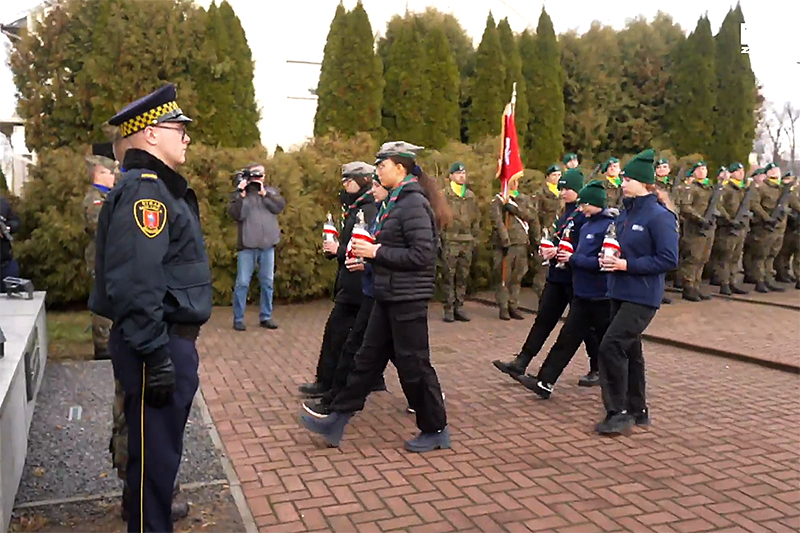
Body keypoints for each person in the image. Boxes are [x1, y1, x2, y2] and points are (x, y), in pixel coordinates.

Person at [89, 83, 211, 532]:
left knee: (157, 459)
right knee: (154, 467)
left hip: (162, 342)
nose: (187, 137)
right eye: (178, 128)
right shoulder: (148, 194)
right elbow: (136, 283)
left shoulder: (158, 189)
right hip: (155, 346)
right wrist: (156, 354)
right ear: (151, 134)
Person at [300, 141, 451, 453]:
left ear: (400, 167)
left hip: (406, 298)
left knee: (415, 366)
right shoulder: (397, 201)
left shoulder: (412, 204)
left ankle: (435, 428)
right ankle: (336, 421)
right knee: (365, 360)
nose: (377, 171)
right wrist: (367, 258)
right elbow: (392, 249)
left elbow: (423, 255)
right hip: (386, 294)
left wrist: (377, 251)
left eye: (382, 166)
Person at [596, 149, 679, 435]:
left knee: (611, 345)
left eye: (627, 178)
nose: (622, 183)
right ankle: (637, 408)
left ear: (643, 183)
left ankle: (617, 411)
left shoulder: (659, 217)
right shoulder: (624, 215)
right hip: (619, 291)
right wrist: (608, 259)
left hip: (643, 295)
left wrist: (626, 264)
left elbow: (669, 259)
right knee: (631, 350)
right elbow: (618, 245)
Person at [492, 168, 601, 388]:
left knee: (584, 326)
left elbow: (585, 245)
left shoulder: (583, 215)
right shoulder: (565, 212)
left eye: (567, 188)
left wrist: (564, 252)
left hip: (574, 277)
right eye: (561, 188)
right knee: (544, 318)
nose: (562, 192)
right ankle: (522, 360)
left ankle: (597, 366)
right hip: (557, 275)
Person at [303, 173, 392, 416]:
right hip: (355, 283)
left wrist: (340, 251)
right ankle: (334, 388)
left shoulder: (371, 209)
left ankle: (335, 393)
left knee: (353, 340)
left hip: (361, 285)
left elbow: (367, 248)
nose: (344, 185)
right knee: (351, 338)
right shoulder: (355, 207)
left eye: (348, 180)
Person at [515, 180, 614, 398]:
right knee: (566, 339)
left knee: (609, 342)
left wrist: (574, 259)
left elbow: (603, 262)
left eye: (585, 204)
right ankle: (544, 381)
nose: (581, 209)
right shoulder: (586, 224)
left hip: (601, 296)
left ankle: (616, 385)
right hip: (582, 293)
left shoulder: (608, 226)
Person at [228, 163, 286, 330]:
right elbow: (236, 214)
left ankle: (266, 317)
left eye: (260, 176)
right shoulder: (241, 195)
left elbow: (279, 206)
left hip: (268, 245)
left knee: (267, 282)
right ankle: (238, 319)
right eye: (255, 176)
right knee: (242, 283)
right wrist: (241, 194)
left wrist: (264, 194)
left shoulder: (271, 192)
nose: (258, 180)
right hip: (247, 246)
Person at [83, 147, 117, 359]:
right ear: (99, 173)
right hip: (99, 257)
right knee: (103, 303)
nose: (114, 176)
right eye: (110, 172)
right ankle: (102, 346)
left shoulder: (108, 196)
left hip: (110, 256)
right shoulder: (95, 199)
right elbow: (98, 226)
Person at [676, 161, 724, 301]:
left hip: (709, 227)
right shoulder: (691, 188)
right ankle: (688, 286)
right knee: (693, 257)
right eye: (700, 169)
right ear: (694, 172)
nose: (703, 171)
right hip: (695, 227)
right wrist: (700, 219)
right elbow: (685, 207)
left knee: (703, 258)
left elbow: (718, 206)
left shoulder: (710, 188)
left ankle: (696, 285)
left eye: (705, 168)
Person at [491, 172, 536, 320]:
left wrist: (514, 209)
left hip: (521, 243)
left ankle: (513, 305)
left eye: (516, 180)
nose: (514, 183)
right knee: (503, 277)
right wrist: (505, 239)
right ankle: (503, 306)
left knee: (517, 277)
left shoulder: (524, 199)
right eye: (511, 180)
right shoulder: (498, 200)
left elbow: (530, 216)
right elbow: (497, 221)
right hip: (506, 244)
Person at [440, 162, 480, 322]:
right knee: (448, 275)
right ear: (450, 176)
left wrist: (474, 236)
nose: (461, 176)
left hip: (466, 240)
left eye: (463, 173)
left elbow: (476, 218)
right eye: (458, 173)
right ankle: (448, 308)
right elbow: (438, 216)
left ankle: (459, 306)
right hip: (450, 240)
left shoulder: (470, 196)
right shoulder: (444, 194)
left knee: (463, 276)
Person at [748, 163, 793, 293]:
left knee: (772, 255)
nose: (776, 172)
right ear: (767, 173)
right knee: (761, 255)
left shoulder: (782, 189)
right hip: (765, 227)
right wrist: (767, 218)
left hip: (780, 227)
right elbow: (755, 205)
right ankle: (760, 281)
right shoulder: (762, 188)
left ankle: (768, 278)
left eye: (777, 170)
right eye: (773, 170)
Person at [713, 163, 752, 295]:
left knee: (735, 257)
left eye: (742, 170)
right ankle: (724, 283)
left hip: (740, 227)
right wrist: (729, 219)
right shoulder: (727, 188)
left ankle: (732, 281)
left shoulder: (743, 189)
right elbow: (718, 205)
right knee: (726, 256)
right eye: (738, 171)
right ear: (732, 173)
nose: (741, 173)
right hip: (728, 227)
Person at [529, 164, 560, 302]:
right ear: (547, 177)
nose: (557, 178)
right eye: (554, 175)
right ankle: (542, 299)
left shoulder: (562, 192)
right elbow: (534, 216)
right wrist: (537, 236)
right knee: (542, 269)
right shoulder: (540, 193)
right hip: (545, 233)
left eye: (559, 175)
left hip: (559, 234)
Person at [774, 172, 800, 289]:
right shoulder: (786, 192)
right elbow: (794, 205)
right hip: (789, 225)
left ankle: (786, 272)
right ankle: (781, 272)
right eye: (787, 178)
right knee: (784, 252)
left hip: (793, 224)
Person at [0, 187, 21, 289]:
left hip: (6, 264)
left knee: (12, 300)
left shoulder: (3, 203)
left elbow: (16, 222)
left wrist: (7, 227)